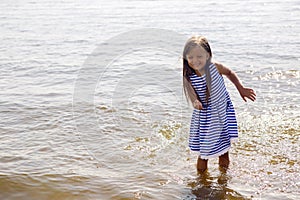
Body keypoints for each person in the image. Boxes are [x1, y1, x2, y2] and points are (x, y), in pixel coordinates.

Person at [182, 36, 256, 173]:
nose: (195, 60)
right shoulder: (189, 75)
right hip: (205, 117)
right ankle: (202, 182)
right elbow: (191, 93)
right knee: (204, 153)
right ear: (186, 57)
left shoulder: (214, 67)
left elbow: (229, 73)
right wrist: (195, 101)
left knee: (224, 150)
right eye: (191, 57)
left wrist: (241, 88)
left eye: (199, 56)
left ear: (208, 55)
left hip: (221, 113)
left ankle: (223, 179)